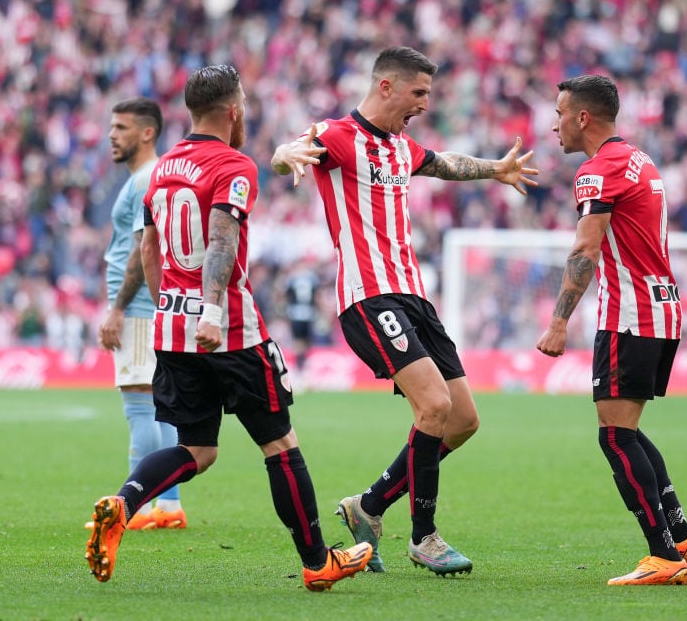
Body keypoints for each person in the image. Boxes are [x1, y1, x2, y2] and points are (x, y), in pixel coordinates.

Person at [85, 64, 372, 591]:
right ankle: (317, 562)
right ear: (233, 111)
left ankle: (123, 503)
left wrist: (175, 305)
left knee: (198, 450)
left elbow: (148, 248)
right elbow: (221, 241)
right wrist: (210, 311)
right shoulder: (234, 165)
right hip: (230, 331)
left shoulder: (164, 166)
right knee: (280, 446)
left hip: (171, 331)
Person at [271, 46, 537, 576]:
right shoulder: (340, 136)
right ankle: (425, 537)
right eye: (419, 92)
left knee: (462, 420)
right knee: (434, 407)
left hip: (414, 297)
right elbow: (287, 151)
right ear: (387, 87)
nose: (424, 103)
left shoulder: (399, 148)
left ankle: (367, 506)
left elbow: (444, 164)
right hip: (369, 297)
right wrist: (288, 157)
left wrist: (495, 169)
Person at [535, 74, 687, 586]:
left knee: (614, 437)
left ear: (583, 117)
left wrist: (559, 321)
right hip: (662, 309)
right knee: (625, 429)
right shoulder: (639, 159)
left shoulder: (598, 169)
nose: (554, 124)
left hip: (629, 315)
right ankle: (680, 532)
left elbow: (586, 249)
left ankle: (663, 555)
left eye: (560, 112)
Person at [94, 97, 186, 531]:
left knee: (139, 407)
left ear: (147, 132)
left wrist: (117, 308)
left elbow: (140, 248)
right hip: (158, 306)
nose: (112, 135)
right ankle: (167, 506)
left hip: (139, 308)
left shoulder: (143, 178)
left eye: (121, 127)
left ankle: (136, 506)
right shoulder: (159, 174)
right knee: (160, 409)